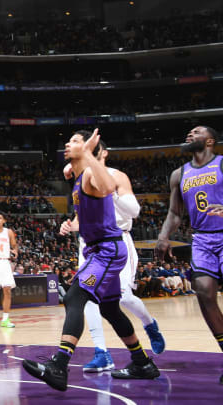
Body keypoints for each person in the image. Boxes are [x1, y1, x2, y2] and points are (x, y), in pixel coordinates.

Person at [22, 129, 159, 391]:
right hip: (97, 250)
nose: (67, 143)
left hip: (107, 250)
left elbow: (107, 187)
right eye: (69, 140)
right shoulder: (76, 177)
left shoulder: (90, 177)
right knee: (109, 309)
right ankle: (142, 362)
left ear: (87, 149)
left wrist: (86, 154)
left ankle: (59, 366)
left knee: (74, 297)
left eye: (74, 141)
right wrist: (72, 225)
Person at [61, 141, 166, 372]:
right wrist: (71, 225)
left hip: (116, 241)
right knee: (85, 298)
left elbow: (134, 211)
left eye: (81, 143)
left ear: (102, 153)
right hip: (90, 243)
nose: (75, 146)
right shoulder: (79, 178)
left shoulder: (115, 176)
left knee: (123, 298)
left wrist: (106, 193)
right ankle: (101, 352)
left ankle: (149, 325)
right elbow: (82, 216)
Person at [155, 125, 223, 384]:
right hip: (203, 239)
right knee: (204, 292)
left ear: (210, 141)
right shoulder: (179, 174)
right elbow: (174, 213)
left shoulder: (221, 164)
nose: (190, 135)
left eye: (196, 132)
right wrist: (163, 237)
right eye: (189, 133)